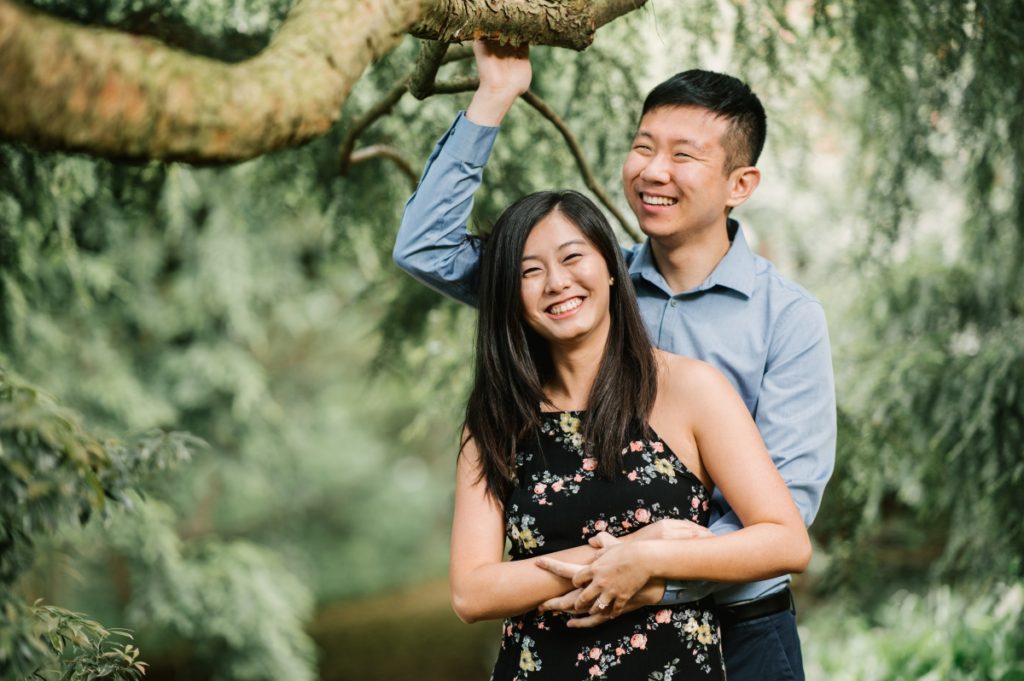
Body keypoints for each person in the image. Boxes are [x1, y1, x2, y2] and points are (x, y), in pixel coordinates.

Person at [395, 41, 836, 681]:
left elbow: (781, 518)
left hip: (741, 628)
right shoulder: (583, 283)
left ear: (740, 183)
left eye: (683, 156)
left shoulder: (786, 319)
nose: (654, 171)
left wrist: (651, 575)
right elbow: (426, 249)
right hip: (577, 626)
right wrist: (494, 96)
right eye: (644, 146)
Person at [451, 186, 810, 680]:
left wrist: (650, 559)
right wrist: (626, 552)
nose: (556, 282)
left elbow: (786, 542)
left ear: (611, 269)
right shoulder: (497, 416)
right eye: (530, 271)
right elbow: (471, 593)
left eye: (572, 257)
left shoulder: (688, 388)